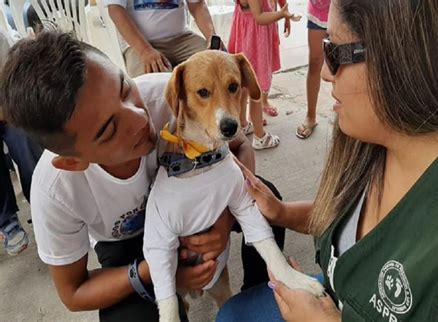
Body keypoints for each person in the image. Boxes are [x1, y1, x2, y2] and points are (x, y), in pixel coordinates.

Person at [0, 31, 284, 321]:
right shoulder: (55, 191)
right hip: (127, 244)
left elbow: (240, 145)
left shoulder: (175, 96)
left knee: (266, 201)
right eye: (109, 130)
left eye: (124, 89)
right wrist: (159, 269)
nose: (139, 118)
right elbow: (73, 292)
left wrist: (225, 218)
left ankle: (258, 298)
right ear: (74, 162)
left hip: (195, 206)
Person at [217, 0, 438, 321]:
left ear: (404, 60)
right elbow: (351, 220)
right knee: (232, 314)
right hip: (341, 295)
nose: (325, 72)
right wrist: (281, 213)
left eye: (336, 52)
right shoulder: (372, 140)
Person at [228, 0, 300, 150]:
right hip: (253, 39)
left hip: (249, 34)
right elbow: (259, 17)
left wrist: (285, 14)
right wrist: (281, 14)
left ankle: (243, 124)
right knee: (255, 89)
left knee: (245, 86)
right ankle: (260, 137)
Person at [0, 29, 42, 256]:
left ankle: (43, 206)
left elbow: (12, 84)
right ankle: (7, 222)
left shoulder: (1, 39)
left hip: (7, 100)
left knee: (25, 138)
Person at [103, 0, 223, 77]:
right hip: (141, 45)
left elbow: (196, 4)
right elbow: (115, 10)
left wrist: (211, 36)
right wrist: (145, 50)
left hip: (182, 38)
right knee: (157, 85)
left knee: (217, 65)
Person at [295, 0, 329, 139]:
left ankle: (348, 116)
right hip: (319, 11)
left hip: (347, 11)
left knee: (345, 64)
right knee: (314, 63)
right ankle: (311, 115)